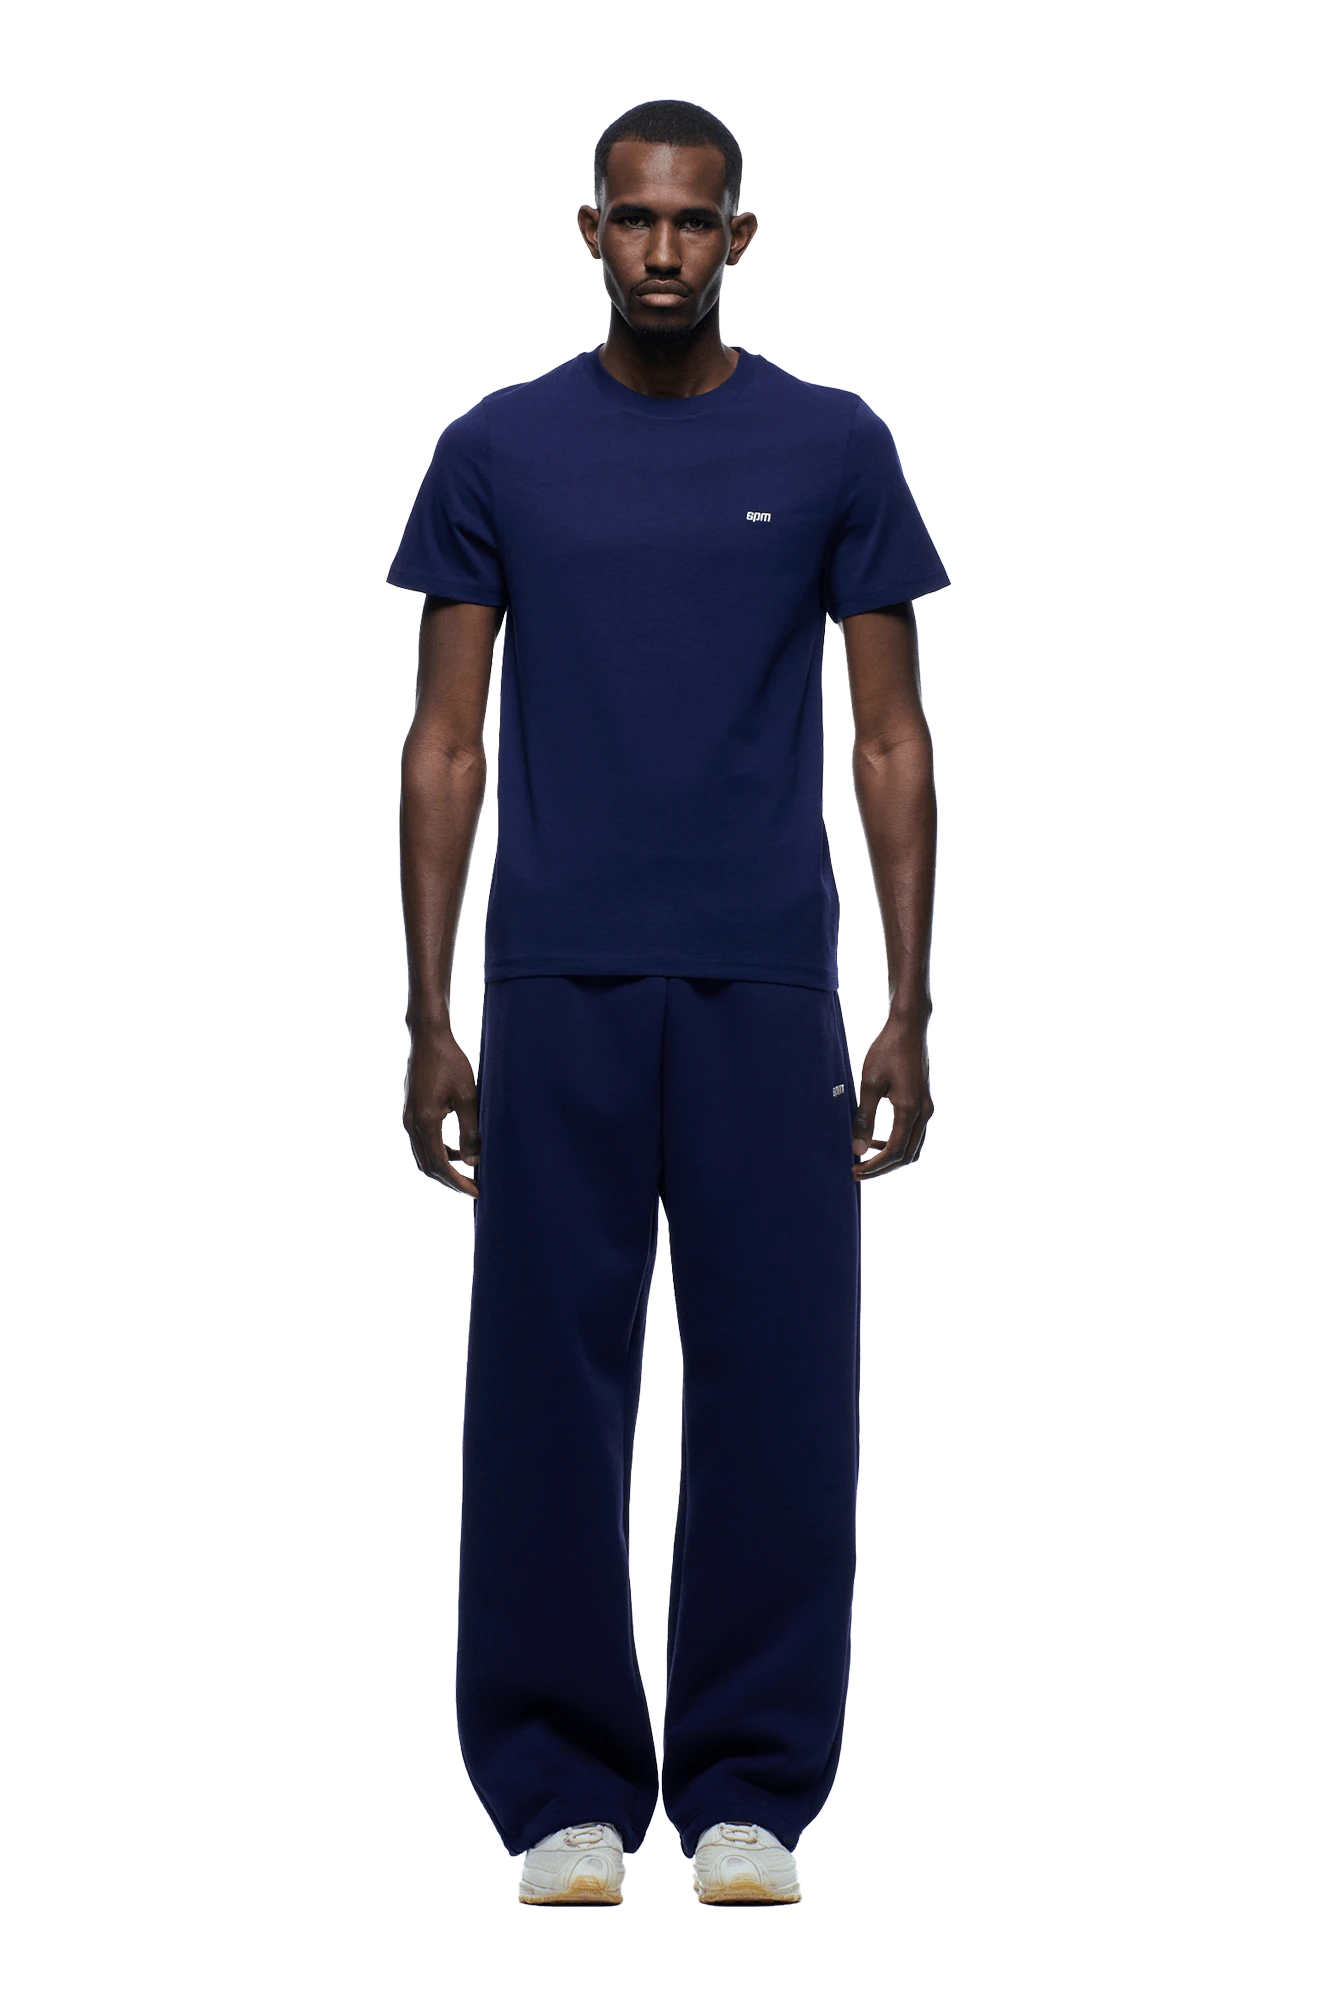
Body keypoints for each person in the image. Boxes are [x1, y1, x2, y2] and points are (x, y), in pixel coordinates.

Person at [390, 98, 948, 1907]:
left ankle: (748, 1791)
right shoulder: (496, 448)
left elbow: (890, 740)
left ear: (740, 239)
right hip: (557, 973)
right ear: (588, 230)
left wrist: (907, 1006)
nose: (661, 250)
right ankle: (558, 1787)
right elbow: (445, 744)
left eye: (693, 222)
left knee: (781, 1378)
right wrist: (431, 1015)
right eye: (633, 219)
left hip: (764, 978)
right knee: (542, 1385)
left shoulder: (836, 443)